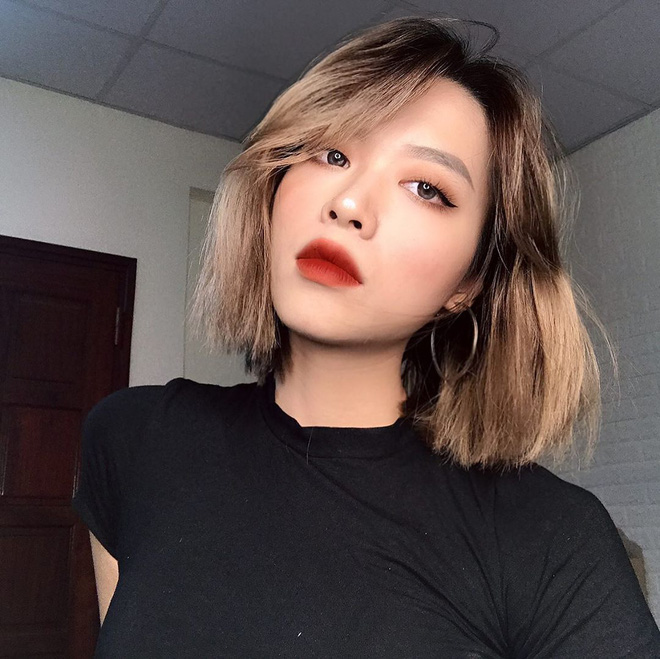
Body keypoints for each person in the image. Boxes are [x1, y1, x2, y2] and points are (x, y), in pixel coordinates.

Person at [72, 16, 660, 657]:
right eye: (332, 153)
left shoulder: (553, 539)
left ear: (469, 281)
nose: (349, 202)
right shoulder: (131, 439)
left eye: (426, 188)